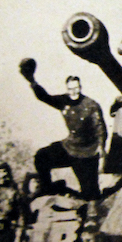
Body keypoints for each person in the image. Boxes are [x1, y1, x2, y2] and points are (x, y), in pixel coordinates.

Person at [20, 63, 105, 201]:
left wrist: (101, 150)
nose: (73, 92)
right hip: (70, 147)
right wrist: (32, 81)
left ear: (80, 88)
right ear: (67, 89)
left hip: (87, 152)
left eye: (76, 88)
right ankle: (47, 187)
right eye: (70, 89)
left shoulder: (91, 105)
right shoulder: (63, 101)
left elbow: (100, 128)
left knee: (91, 194)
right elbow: (44, 97)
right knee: (42, 157)